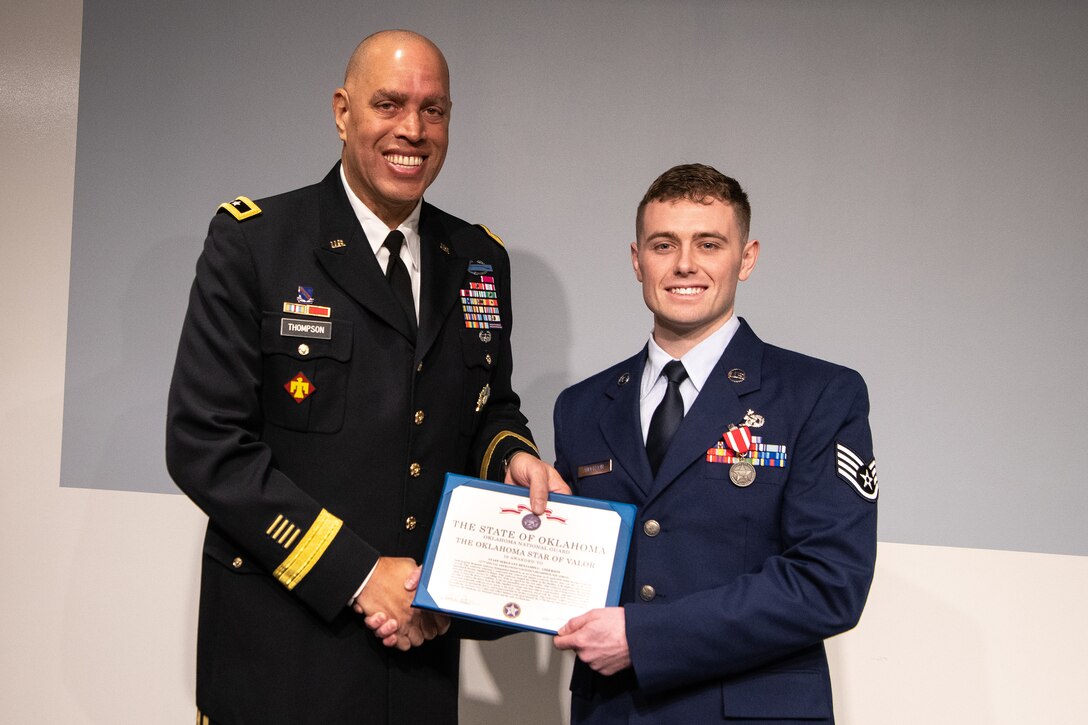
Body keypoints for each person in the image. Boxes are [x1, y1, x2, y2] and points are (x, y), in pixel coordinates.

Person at [166, 30, 564, 724]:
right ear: (342, 111)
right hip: (281, 659)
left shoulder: (476, 257)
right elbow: (206, 444)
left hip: (417, 656)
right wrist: (356, 573)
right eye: (389, 104)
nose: (412, 129)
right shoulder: (256, 242)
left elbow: (487, 403)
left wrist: (513, 452)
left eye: (433, 110)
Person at [549, 164, 878, 723]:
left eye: (708, 244)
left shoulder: (819, 394)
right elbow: (561, 565)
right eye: (663, 244)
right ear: (637, 260)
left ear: (745, 258)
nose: (684, 264)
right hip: (614, 712)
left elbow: (830, 582)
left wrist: (645, 637)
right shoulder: (582, 407)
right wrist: (440, 596)